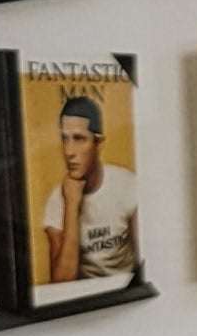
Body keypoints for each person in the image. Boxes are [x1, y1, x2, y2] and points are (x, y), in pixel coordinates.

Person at [36, 86, 137, 292]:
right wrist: (71, 205)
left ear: (98, 144)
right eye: (64, 139)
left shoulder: (127, 184)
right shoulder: (57, 200)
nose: (69, 151)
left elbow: (149, 262)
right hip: (88, 297)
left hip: (127, 291)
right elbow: (61, 285)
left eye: (79, 138)